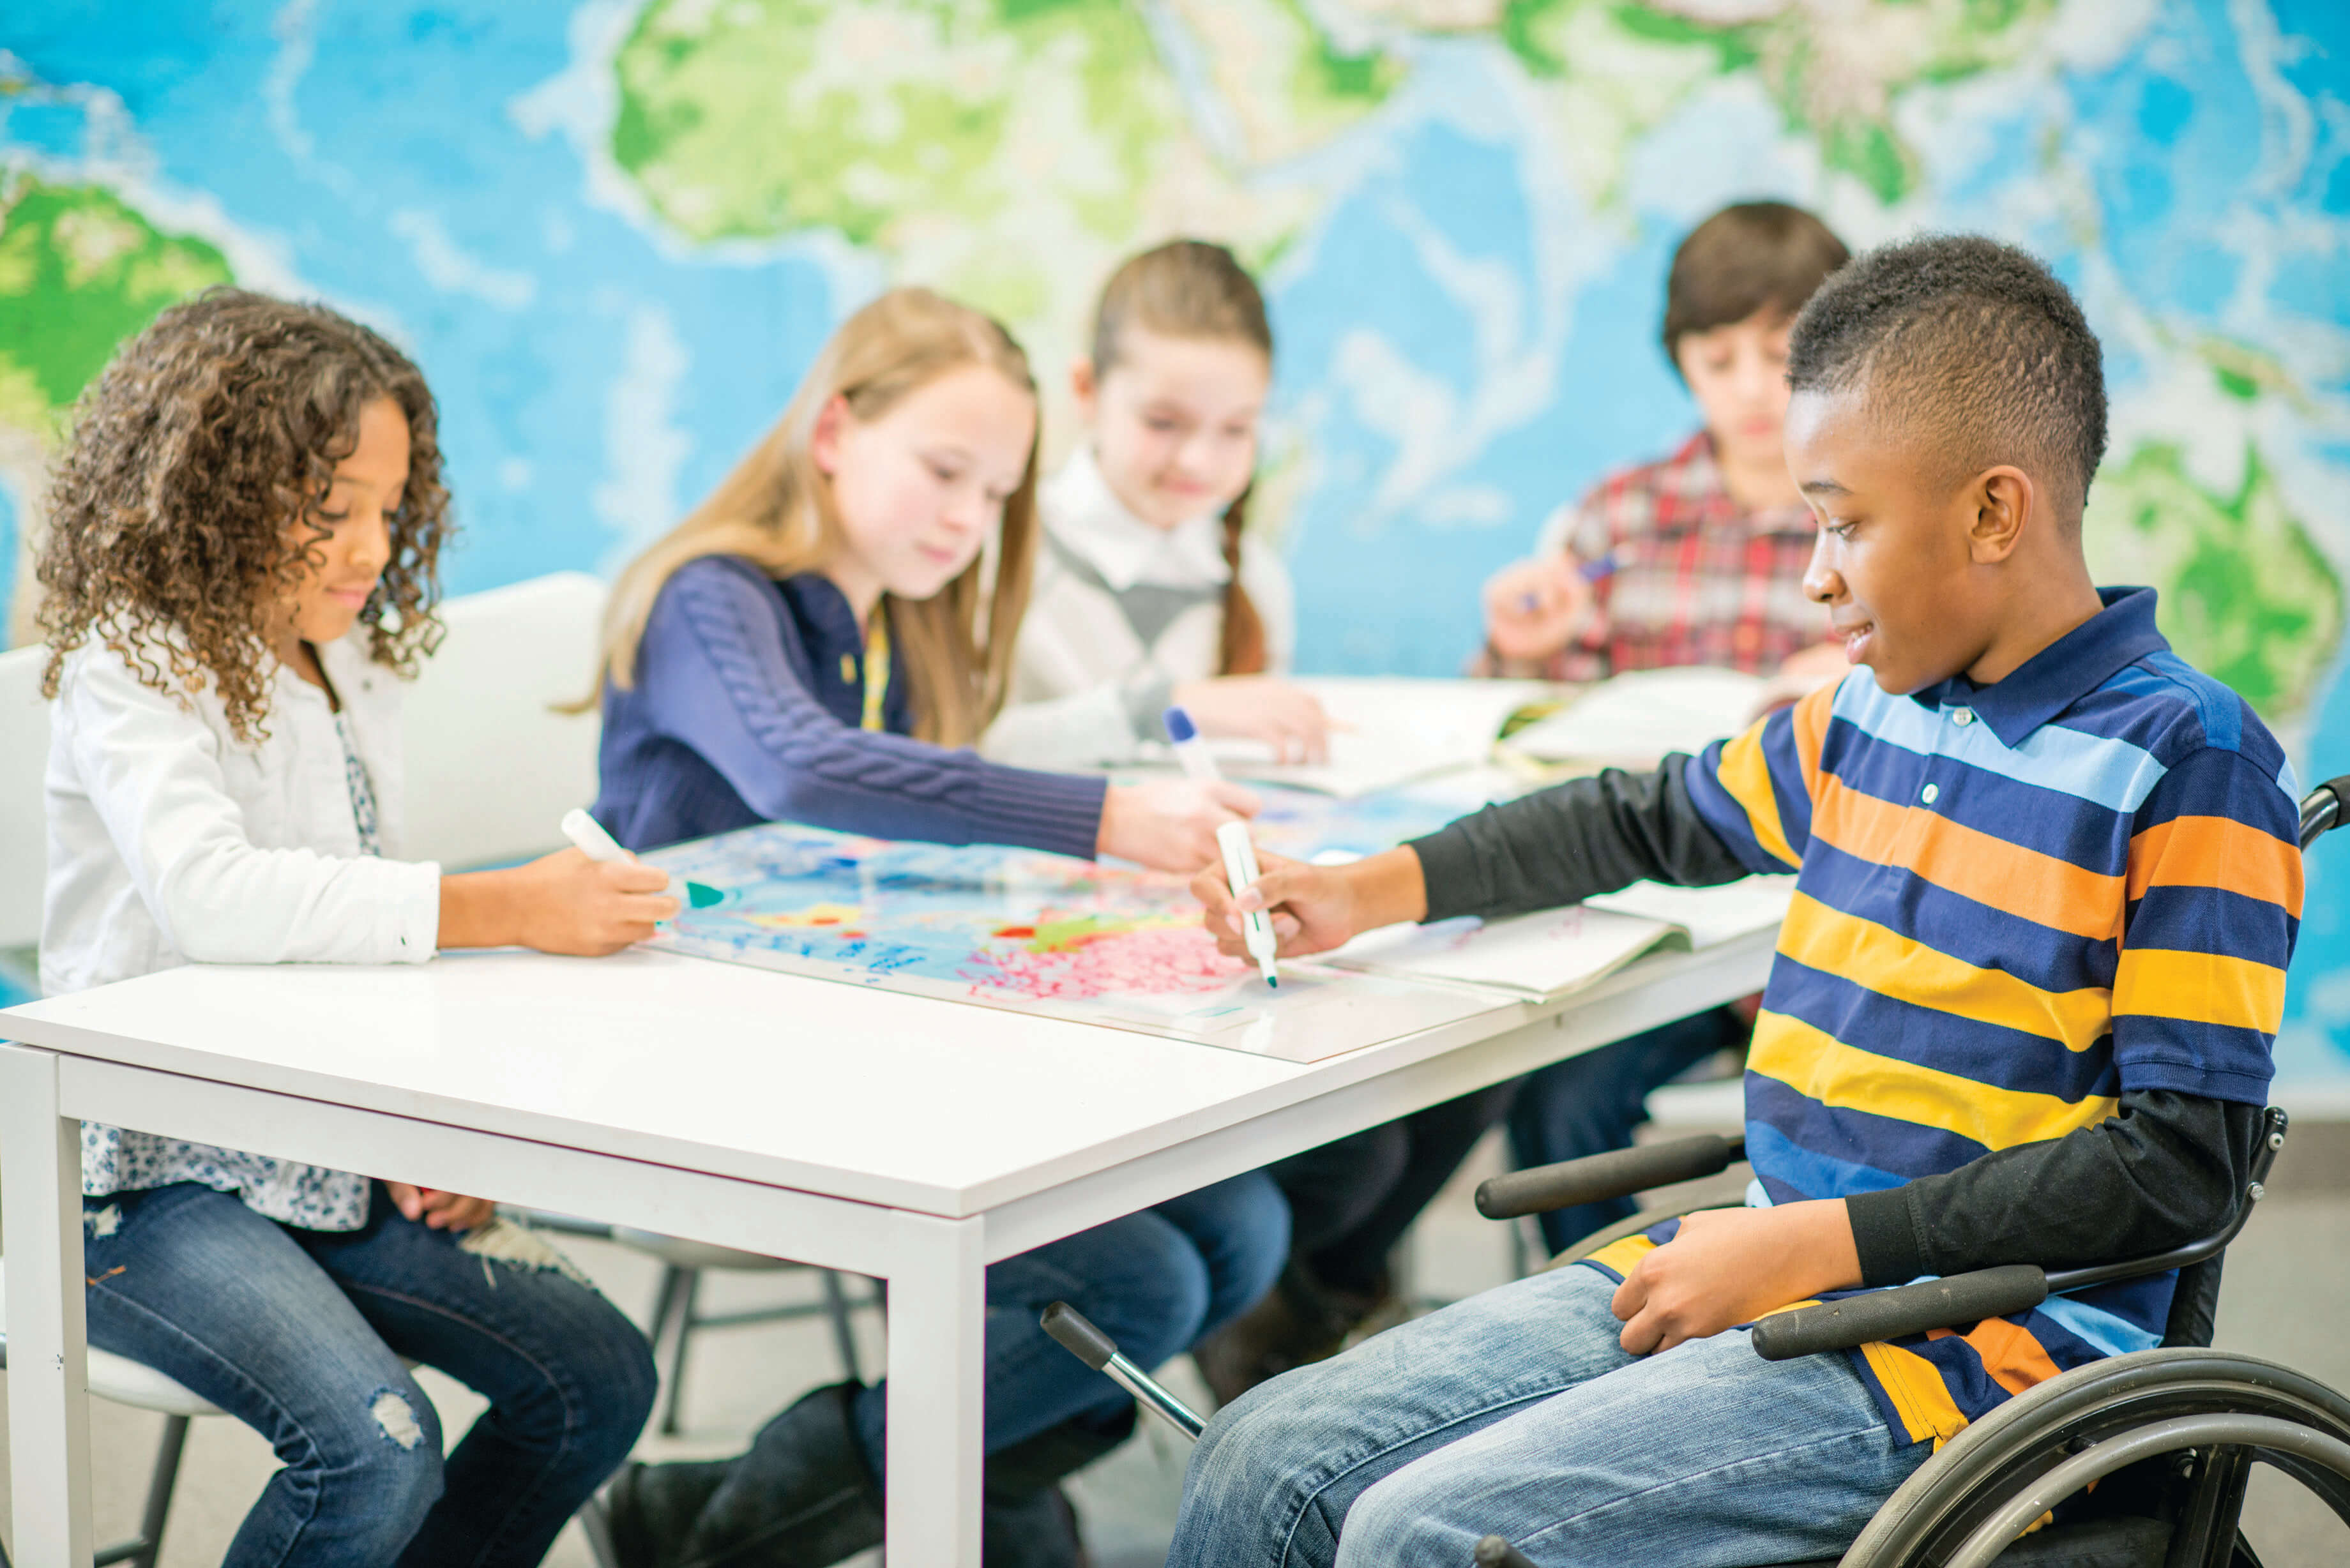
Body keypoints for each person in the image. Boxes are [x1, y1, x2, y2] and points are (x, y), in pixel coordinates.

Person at [1171, 234, 2296, 1565]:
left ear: (1994, 513)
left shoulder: (2189, 761)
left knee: (1422, 1534)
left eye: (1845, 522)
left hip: (1975, 1356)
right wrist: (1365, 887)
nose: (1815, 573)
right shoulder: (1869, 717)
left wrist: (1824, 1244)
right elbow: (1640, 815)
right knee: (1256, 1459)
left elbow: (2177, 1170)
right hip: (1775, 1256)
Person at [588, 287, 1287, 1567]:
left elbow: (895, 847)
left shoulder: (898, 624)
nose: (967, 519)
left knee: (1241, 1229)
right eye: (942, 471)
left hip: (857, 1030)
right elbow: (805, 771)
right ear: (837, 428)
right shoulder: (709, 595)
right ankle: (793, 1523)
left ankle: (734, 1508)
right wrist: (1102, 818)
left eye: (995, 492)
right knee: (1146, 1283)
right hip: (692, 1055)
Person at [35, 289, 661, 1567]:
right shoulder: (133, 662)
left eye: (388, 509)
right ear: (211, 491)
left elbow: (353, 931)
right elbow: (219, 898)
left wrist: (423, 1129)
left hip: (313, 1147)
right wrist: (506, 907)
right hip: (137, 1181)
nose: (369, 547)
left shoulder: (344, 660)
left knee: (595, 1372)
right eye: (330, 513)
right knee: (376, 1443)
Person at [1486, 200, 1854, 1255]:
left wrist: (1855, 681)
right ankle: (1596, 1343)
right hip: (1655, 913)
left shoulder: (1873, 516)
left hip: (1818, 928)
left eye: (1779, 356)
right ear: (1681, 360)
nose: (1748, 387)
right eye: (1717, 356)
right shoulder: (1621, 516)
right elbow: (1536, 740)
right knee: (1559, 1115)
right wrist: (1524, 646)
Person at [980, 237, 1329, 769]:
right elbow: (953, 746)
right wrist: (1161, 709)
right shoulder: (997, 547)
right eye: (1163, 423)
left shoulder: (1256, 578)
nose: (1198, 461)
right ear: (1086, 390)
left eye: (1237, 428)